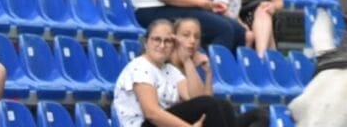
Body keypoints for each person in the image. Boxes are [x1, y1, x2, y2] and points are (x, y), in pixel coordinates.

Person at [114, 19, 267, 127]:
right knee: (211, 105)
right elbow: (151, 113)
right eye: (156, 39)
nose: (162, 45)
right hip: (145, 125)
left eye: (168, 41)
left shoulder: (169, 70)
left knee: (229, 107)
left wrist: (189, 62)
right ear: (146, 42)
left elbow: (197, 100)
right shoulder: (140, 67)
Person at [174, 18, 214, 94]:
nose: (193, 41)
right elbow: (197, 99)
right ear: (174, 37)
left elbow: (206, 100)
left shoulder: (194, 64)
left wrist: (208, 73)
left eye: (197, 37)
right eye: (186, 35)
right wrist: (187, 61)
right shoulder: (167, 65)